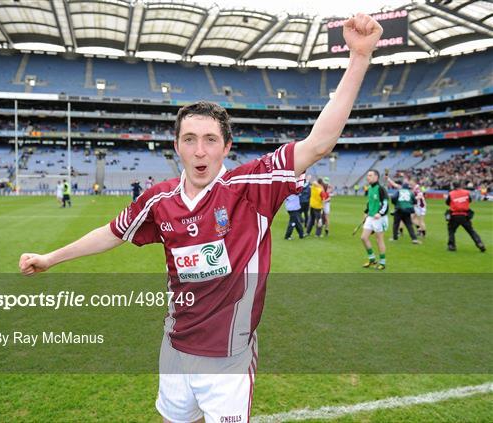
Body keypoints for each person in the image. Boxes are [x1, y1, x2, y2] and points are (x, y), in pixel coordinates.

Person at [19, 14, 382, 423]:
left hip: (228, 358)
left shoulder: (253, 186)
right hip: (174, 349)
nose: (200, 151)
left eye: (210, 140)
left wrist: (359, 58)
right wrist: (51, 258)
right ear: (177, 145)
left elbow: (318, 143)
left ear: (226, 147)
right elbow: (112, 233)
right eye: (189, 140)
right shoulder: (159, 200)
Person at [446, 180, 486, 252]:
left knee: (451, 230)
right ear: (460, 185)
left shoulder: (451, 193)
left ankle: (451, 246)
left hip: (454, 215)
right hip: (465, 215)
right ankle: (479, 243)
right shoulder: (466, 192)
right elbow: (469, 200)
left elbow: (447, 202)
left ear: (453, 186)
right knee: (471, 231)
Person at [361, 169, 389, 270]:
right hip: (370, 216)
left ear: (376, 177)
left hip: (379, 218)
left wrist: (380, 213)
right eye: (368, 175)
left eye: (370, 175)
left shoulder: (380, 188)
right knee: (364, 237)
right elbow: (370, 202)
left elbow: (385, 202)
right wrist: (366, 212)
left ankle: (382, 262)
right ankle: (372, 259)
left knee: (379, 240)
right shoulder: (369, 188)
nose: (368, 177)